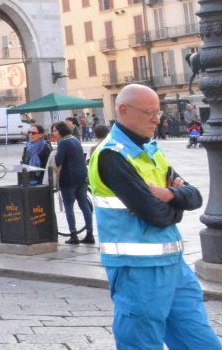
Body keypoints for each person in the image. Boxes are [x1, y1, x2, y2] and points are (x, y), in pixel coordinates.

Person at [89, 84, 220, 349]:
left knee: (199, 340)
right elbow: (155, 214)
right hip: (137, 270)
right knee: (140, 342)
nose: (156, 119)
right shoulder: (110, 155)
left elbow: (195, 197)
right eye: (149, 112)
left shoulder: (151, 150)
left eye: (158, 113)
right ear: (123, 110)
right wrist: (175, 199)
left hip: (174, 265)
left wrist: (169, 196)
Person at [52, 122, 94, 245]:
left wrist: (54, 156)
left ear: (60, 131)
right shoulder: (75, 139)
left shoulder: (63, 142)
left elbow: (58, 160)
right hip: (82, 176)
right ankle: (90, 233)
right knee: (84, 204)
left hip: (68, 177)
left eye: (55, 130)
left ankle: (73, 234)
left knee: (69, 206)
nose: (53, 133)